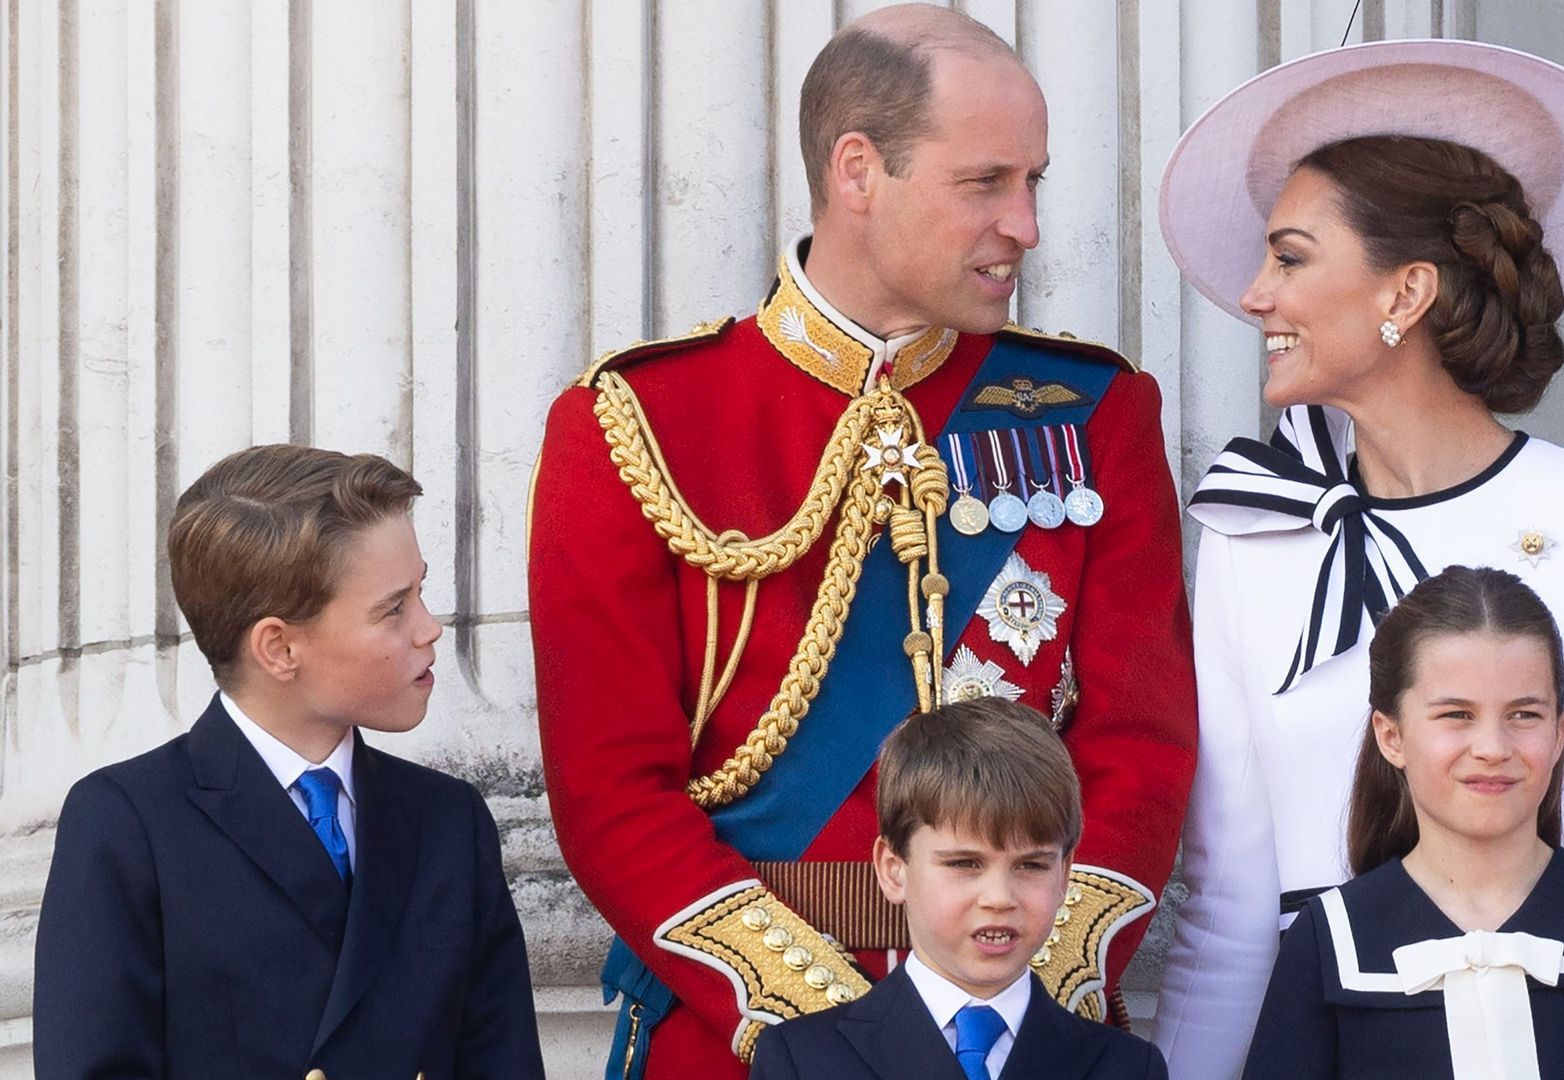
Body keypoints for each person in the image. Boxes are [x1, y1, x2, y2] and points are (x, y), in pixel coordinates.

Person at [528, 5, 1196, 1077]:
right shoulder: (638, 423)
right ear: (856, 172)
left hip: (1021, 1028)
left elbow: (1141, 748)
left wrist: (1017, 994)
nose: (1025, 223)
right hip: (745, 1036)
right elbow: (610, 793)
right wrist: (835, 1032)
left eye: (1035, 182)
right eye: (986, 182)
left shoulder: (1090, 412)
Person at [1151, 39, 1564, 1079]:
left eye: (1292, 257)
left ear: (1404, 292)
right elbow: (1226, 907)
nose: (1255, 294)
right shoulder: (1249, 533)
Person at [33, 445, 545, 1079]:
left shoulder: (448, 820)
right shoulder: (128, 822)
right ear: (278, 648)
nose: (429, 628)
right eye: (393, 608)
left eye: (421, 592)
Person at [1241, 566, 1564, 1078]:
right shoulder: (1329, 940)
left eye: (1524, 715)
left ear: (1561, 733)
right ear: (1392, 736)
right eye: (1456, 715)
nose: (1492, 748)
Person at [747, 698, 1170, 1080]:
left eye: (1031, 865)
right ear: (894, 870)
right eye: (965, 864)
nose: (1000, 897)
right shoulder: (803, 1061)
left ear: (1064, 875)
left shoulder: (1128, 1067)